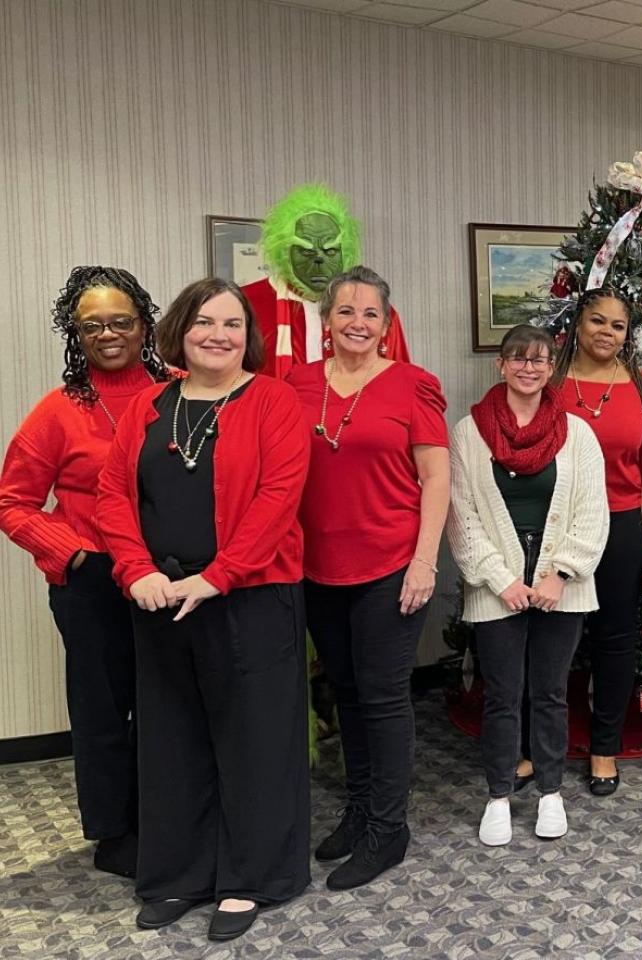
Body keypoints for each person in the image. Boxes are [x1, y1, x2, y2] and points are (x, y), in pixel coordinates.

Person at [97, 278, 310, 942]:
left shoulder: (274, 400)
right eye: (205, 322)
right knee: (171, 743)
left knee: (254, 743)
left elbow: (279, 498)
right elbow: (111, 493)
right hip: (158, 601)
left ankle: (249, 879)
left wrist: (218, 576)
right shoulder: (148, 406)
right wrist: (134, 570)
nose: (219, 335)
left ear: (249, 337)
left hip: (250, 598)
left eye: (233, 325)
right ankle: (179, 875)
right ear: (180, 330)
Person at [0, 266, 171, 879]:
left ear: (144, 325)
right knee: (103, 709)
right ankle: (114, 832)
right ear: (75, 332)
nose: (108, 333)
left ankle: (172, 815)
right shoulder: (58, 411)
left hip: (170, 578)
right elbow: (12, 501)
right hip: (95, 580)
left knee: (170, 703)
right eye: (92, 324)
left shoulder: (178, 390)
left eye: (121, 321)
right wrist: (69, 551)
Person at [286, 266, 450, 888]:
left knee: (382, 699)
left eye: (371, 314)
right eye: (346, 312)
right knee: (345, 694)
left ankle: (389, 827)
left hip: (391, 565)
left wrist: (425, 560)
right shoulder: (295, 384)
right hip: (317, 566)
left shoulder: (414, 385)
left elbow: (436, 478)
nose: (358, 323)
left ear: (388, 323)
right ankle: (358, 811)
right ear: (326, 321)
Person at [447, 325, 608, 846]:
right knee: (501, 696)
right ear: (501, 365)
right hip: (497, 590)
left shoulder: (577, 433)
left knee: (551, 693)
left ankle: (550, 792)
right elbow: (461, 516)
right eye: (519, 358)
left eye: (540, 360)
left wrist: (560, 574)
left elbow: (591, 512)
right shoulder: (468, 433)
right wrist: (502, 580)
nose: (529, 368)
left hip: (562, 588)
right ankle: (497, 794)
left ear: (550, 368)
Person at [551, 288, 642, 795]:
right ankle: (540, 748)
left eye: (618, 326)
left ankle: (605, 747)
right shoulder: (551, 382)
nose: (607, 332)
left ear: (628, 334)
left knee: (615, 642)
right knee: (551, 642)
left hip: (623, 527)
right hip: (558, 527)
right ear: (577, 325)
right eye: (597, 321)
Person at [241, 183, 410, 378]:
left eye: (330, 251)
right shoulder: (246, 304)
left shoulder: (374, 313)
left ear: (344, 253)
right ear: (284, 253)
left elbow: (399, 381)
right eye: (306, 251)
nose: (319, 260)